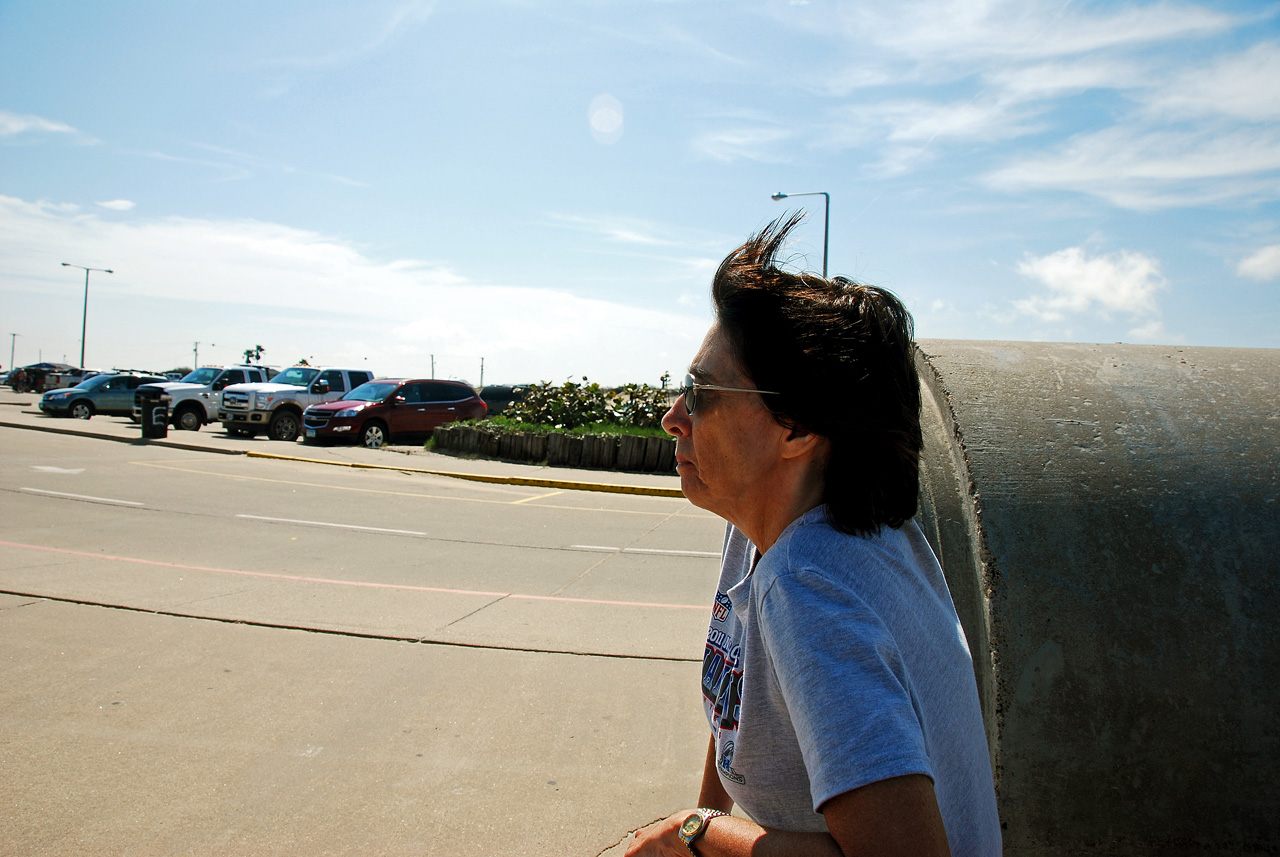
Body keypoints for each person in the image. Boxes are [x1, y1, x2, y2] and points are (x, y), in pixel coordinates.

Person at [626, 214, 1001, 857]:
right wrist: (704, 816)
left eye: (701, 392)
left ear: (796, 428)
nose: (672, 417)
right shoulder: (770, 526)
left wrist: (700, 834)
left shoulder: (812, 592)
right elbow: (741, 706)